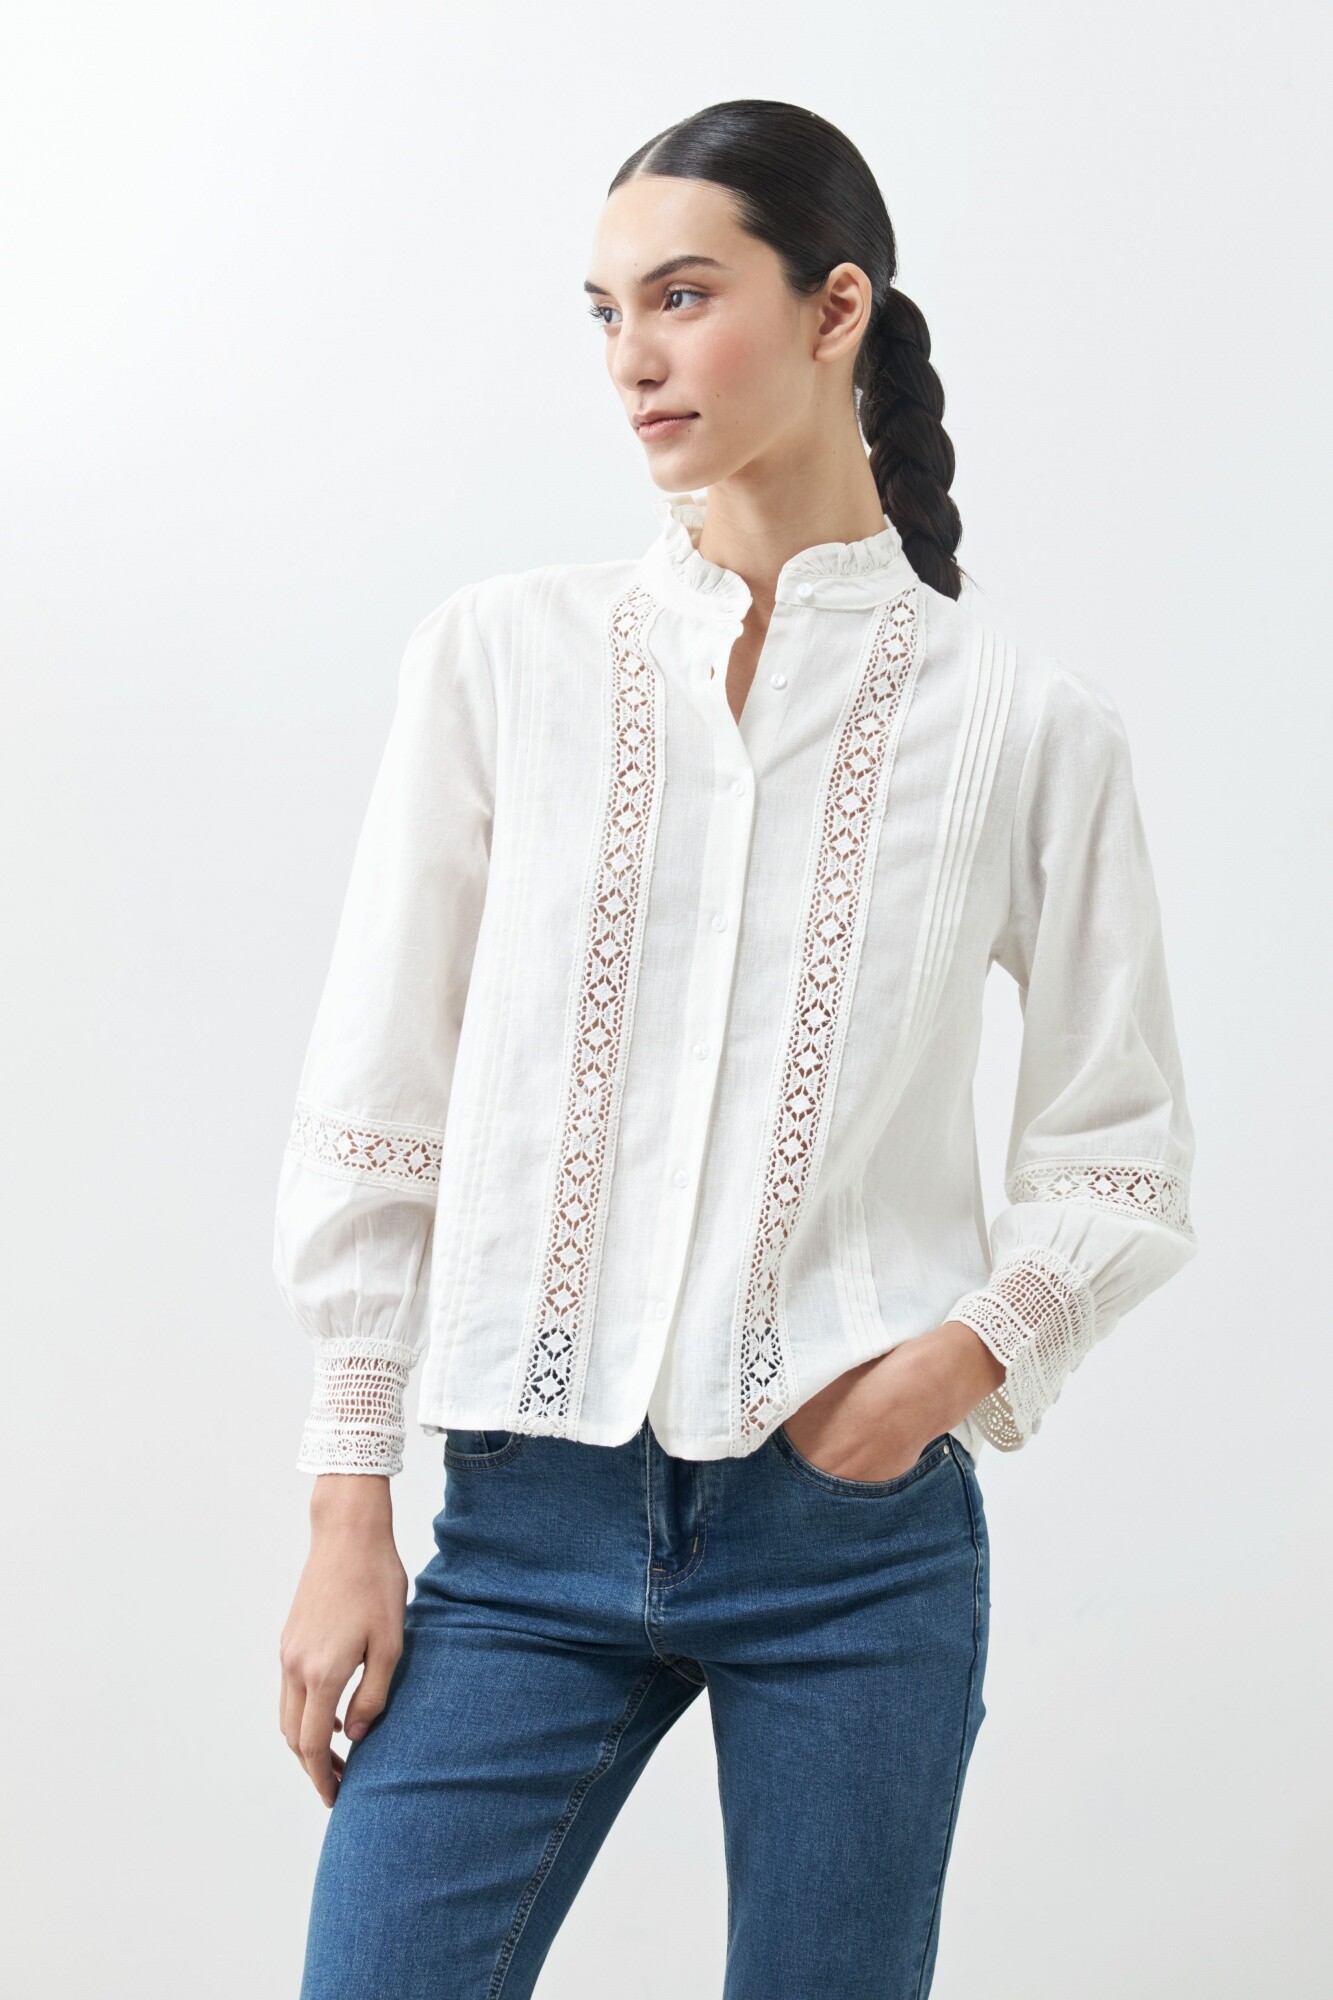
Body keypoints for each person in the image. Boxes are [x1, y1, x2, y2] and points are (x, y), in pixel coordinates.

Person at [274, 98, 1198, 2000]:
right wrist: (346, 1504)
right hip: (519, 1524)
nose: (632, 356)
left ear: (836, 307)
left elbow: (1118, 1149)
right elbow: (380, 1102)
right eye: (604, 310)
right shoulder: (501, 661)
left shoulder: (1025, 724)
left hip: (852, 1542)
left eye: (683, 297)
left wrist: (939, 1373)